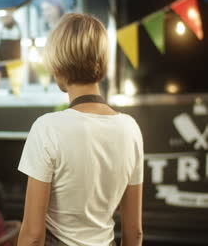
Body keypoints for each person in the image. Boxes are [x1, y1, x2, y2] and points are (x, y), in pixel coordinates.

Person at [17, 13, 143, 246]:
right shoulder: (130, 129)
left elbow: (33, 235)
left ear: (58, 67)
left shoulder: (47, 128)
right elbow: (134, 232)